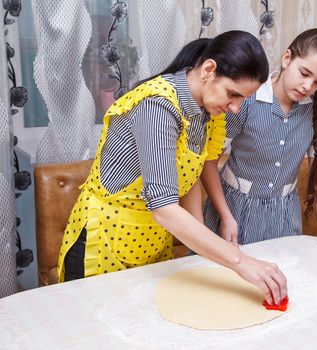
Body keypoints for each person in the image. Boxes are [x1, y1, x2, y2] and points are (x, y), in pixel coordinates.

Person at [57, 30, 287, 305]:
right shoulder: (158, 107)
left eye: (243, 100)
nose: (236, 108)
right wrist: (241, 262)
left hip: (152, 240)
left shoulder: (207, 113)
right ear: (208, 70)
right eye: (233, 94)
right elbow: (165, 208)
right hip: (106, 238)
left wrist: (207, 249)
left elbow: (188, 178)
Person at [201, 28, 317, 253]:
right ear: (287, 58)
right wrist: (226, 217)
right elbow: (209, 162)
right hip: (232, 209)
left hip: (284, 215)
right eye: (304, 73)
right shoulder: (246, 99)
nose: (308, 86)